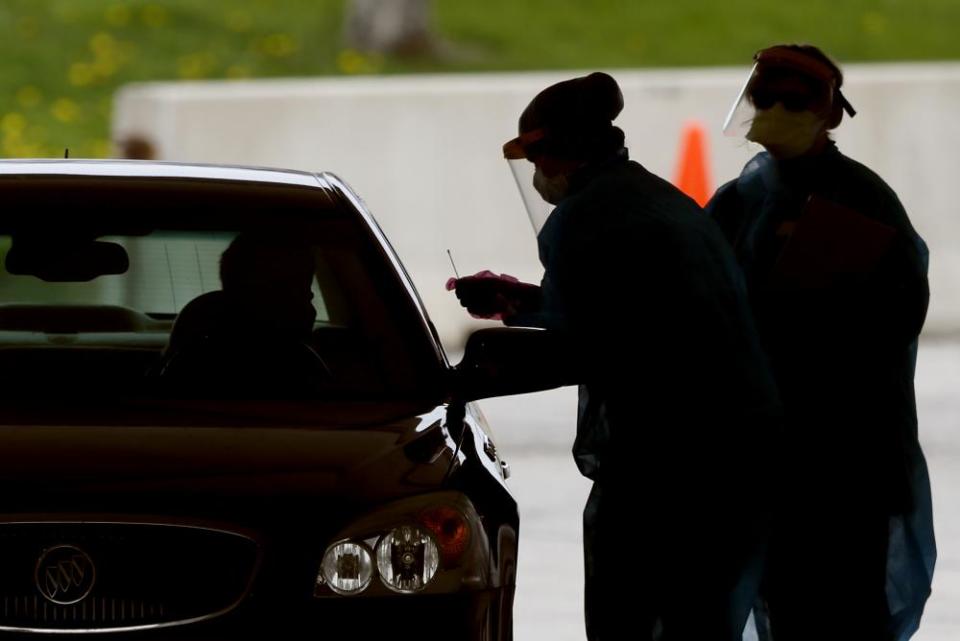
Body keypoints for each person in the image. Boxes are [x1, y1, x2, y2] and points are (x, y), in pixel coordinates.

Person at [454, 71, 782, 640]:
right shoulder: (656, 200)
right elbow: (632, 311)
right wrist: (525, 301)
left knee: (629, 620)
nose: (536, 179)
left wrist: (490, 368)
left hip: (666, 469)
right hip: (735, 461)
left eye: (537, 162)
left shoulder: (587, 219)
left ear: (556, 154)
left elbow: (592, 344)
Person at [705, 44, 936, 641]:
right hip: (760, 456)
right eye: (766, 97)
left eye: (795, 101)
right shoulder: (738, 201)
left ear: (830, 115)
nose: (775, 110)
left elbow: (893, 319)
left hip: (840, 460)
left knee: (838, 610)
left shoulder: (861, 202)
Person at [159, 232, 326, 396]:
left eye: (306, 294)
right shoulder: (304, 369)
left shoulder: (187, 366)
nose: (311, 311)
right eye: (302, 294)